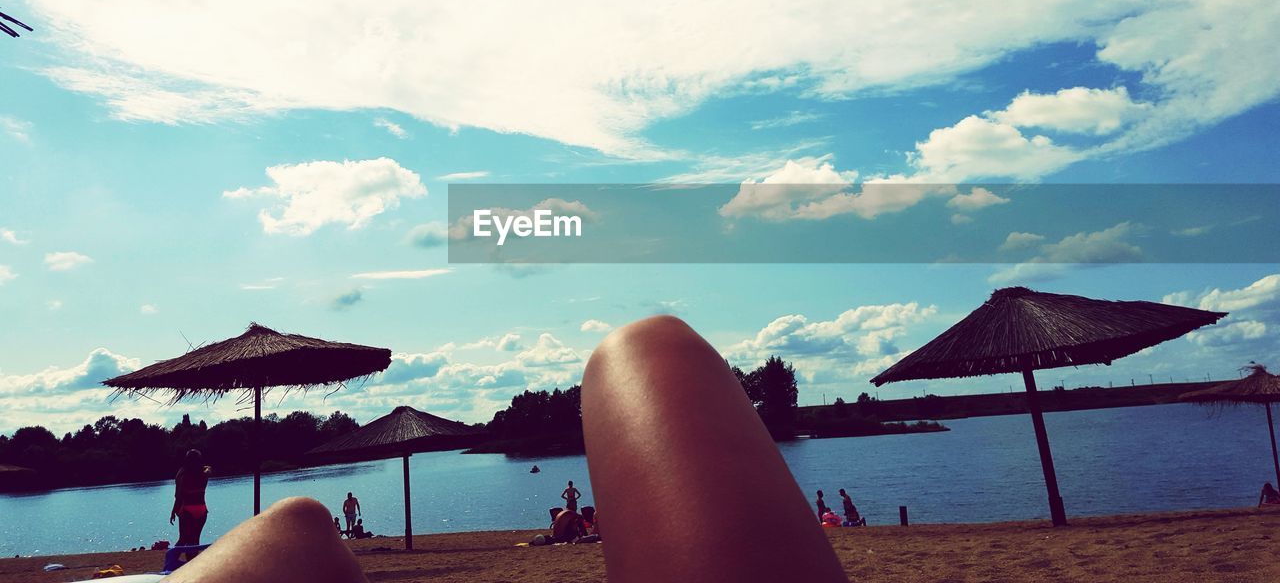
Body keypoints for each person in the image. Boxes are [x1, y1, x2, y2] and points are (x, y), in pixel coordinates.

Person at [167, 316, 847, 583]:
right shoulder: (194, 476)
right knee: (645, 346)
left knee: (297, 521)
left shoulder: (191, 478)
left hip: (223, 540)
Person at [170, 449, 211, 549]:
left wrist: (174, 510)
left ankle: (170, 560)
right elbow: (209, 468)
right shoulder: (204, 474)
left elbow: (179, 496)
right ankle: (192, 562)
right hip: (202, 509)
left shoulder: (183, 475)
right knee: (195, 541)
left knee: (183, 539)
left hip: (187, 509)